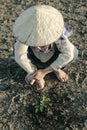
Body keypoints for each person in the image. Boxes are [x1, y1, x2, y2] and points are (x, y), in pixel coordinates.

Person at [13, 5, 78, 90]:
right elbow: (20, 56)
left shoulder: (56, 31)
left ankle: (56, 69)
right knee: (16, 50)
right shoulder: (25, 33)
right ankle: (35, 71)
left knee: (74, 52)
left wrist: (43, 72)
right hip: (35, 58)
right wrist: (33, 72)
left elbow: (68, 54)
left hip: (53, 56)